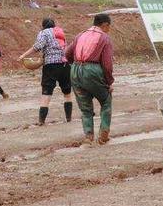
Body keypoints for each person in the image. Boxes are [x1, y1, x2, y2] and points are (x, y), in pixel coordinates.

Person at [65, 13, 114, 145]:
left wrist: (75, 65)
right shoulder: (104, 38)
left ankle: (88, 136)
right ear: (105, 25)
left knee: (85, 108)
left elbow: (67, 54)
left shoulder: (80, 35)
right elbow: (107, 65)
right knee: (106, 101)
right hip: (92, 71)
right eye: (109, 27)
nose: (109, 29)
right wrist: (109, 82)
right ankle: (103, 135)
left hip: (75, 71)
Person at [18, 18, 73, 124]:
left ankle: (41, 121)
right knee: (67, 93)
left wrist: (23, 55)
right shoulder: (60, 32)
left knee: (46, 94)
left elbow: (37, 47)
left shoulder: (43, 33)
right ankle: (69, 119)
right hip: (65, 65)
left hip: (51, 66)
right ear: (53, 25)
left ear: (43, 26)